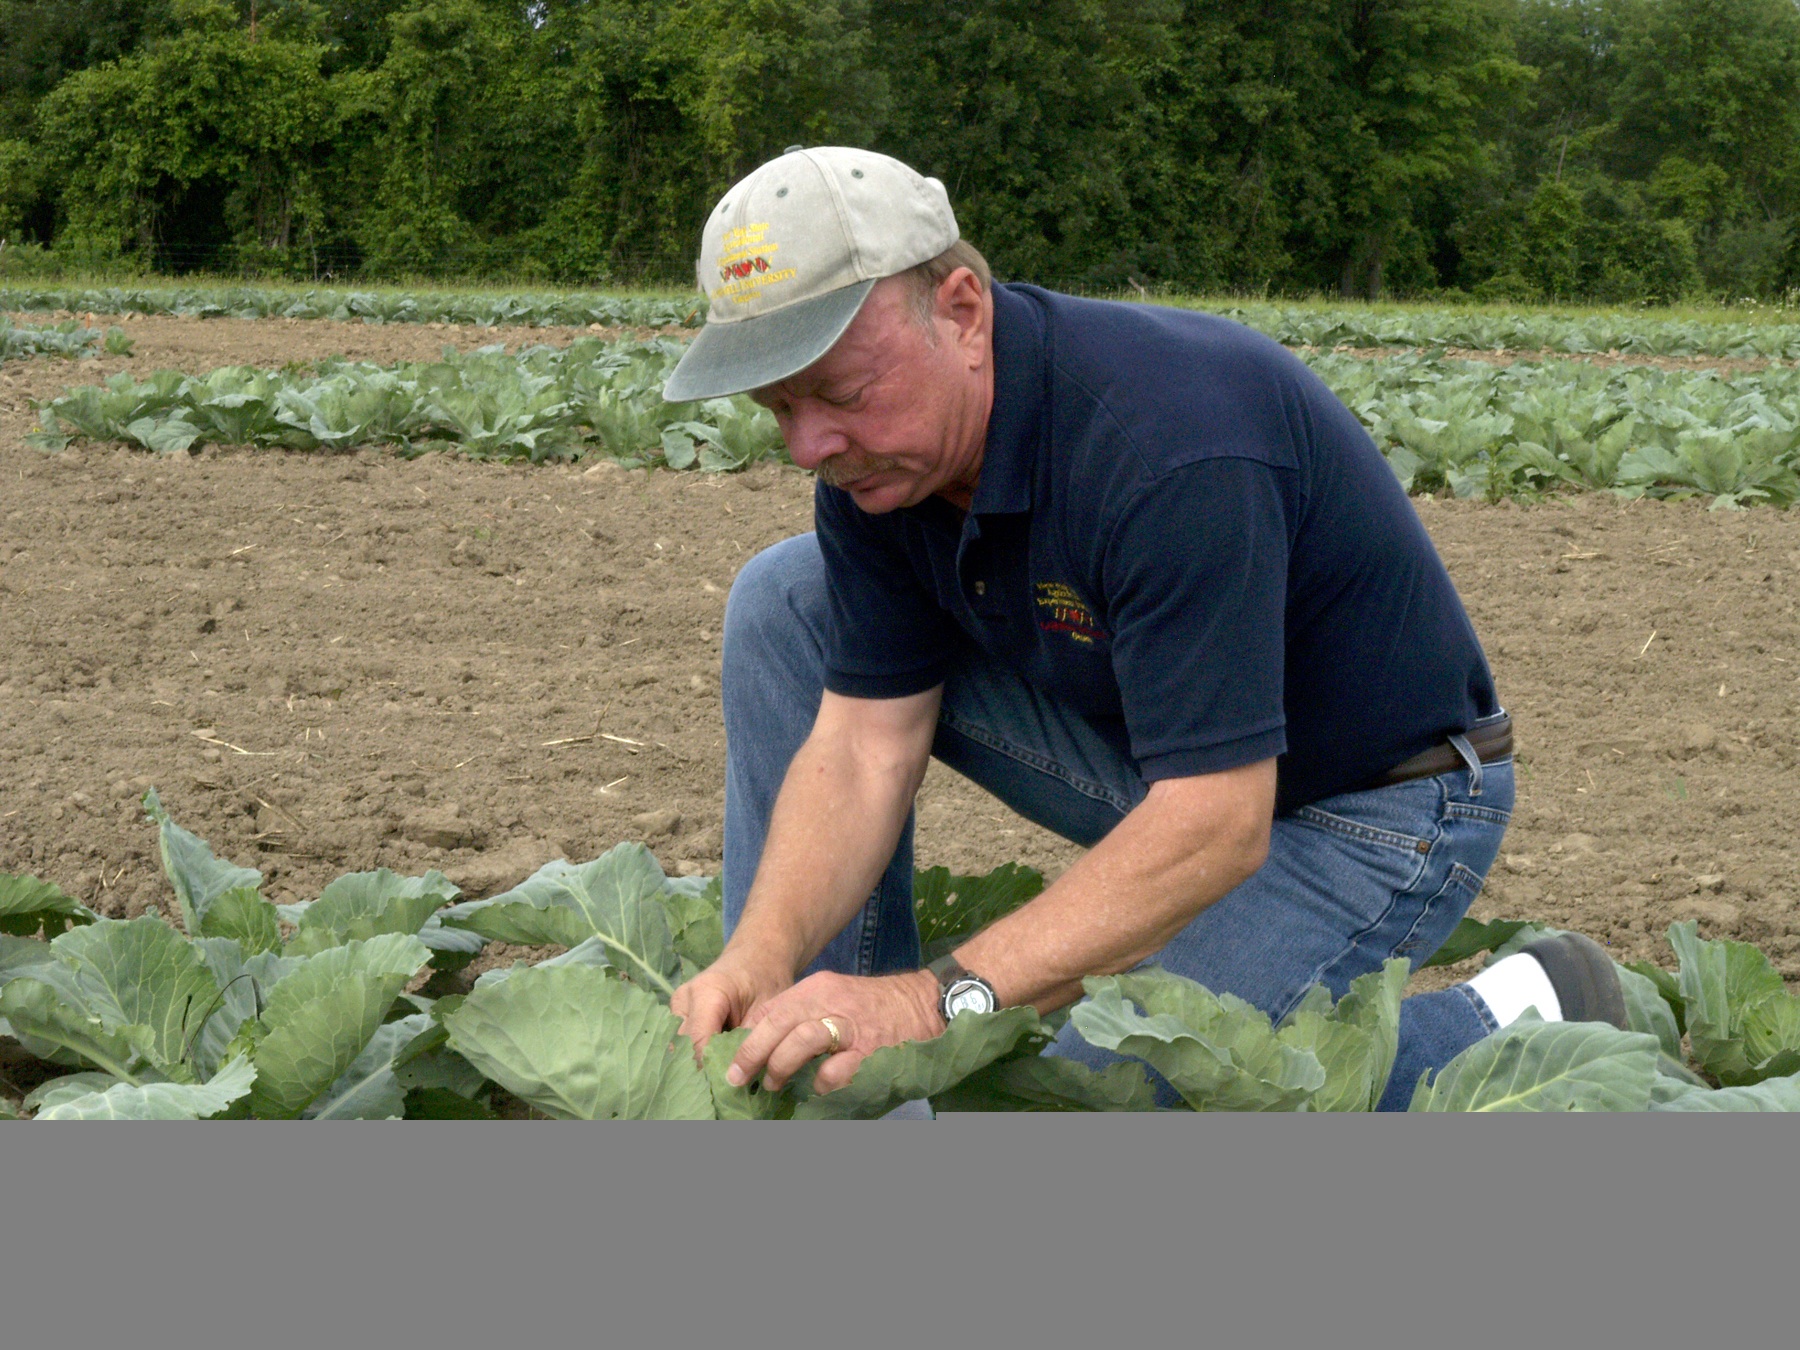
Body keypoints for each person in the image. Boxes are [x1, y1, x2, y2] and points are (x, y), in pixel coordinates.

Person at [663, 146, 1625, 1111]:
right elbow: (864, 745)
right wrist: (762, 952)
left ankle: (1508, 1022)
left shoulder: (1168, 447)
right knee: (790, 599)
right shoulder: (881, 466)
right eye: (777, 406)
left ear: (960, 312)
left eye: (841, 392)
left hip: (1374, 806)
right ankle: (817, 1075)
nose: (810, 446)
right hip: (1174, 761)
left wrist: (931, 1002)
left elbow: (1215, 823)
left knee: (1084, 1106)